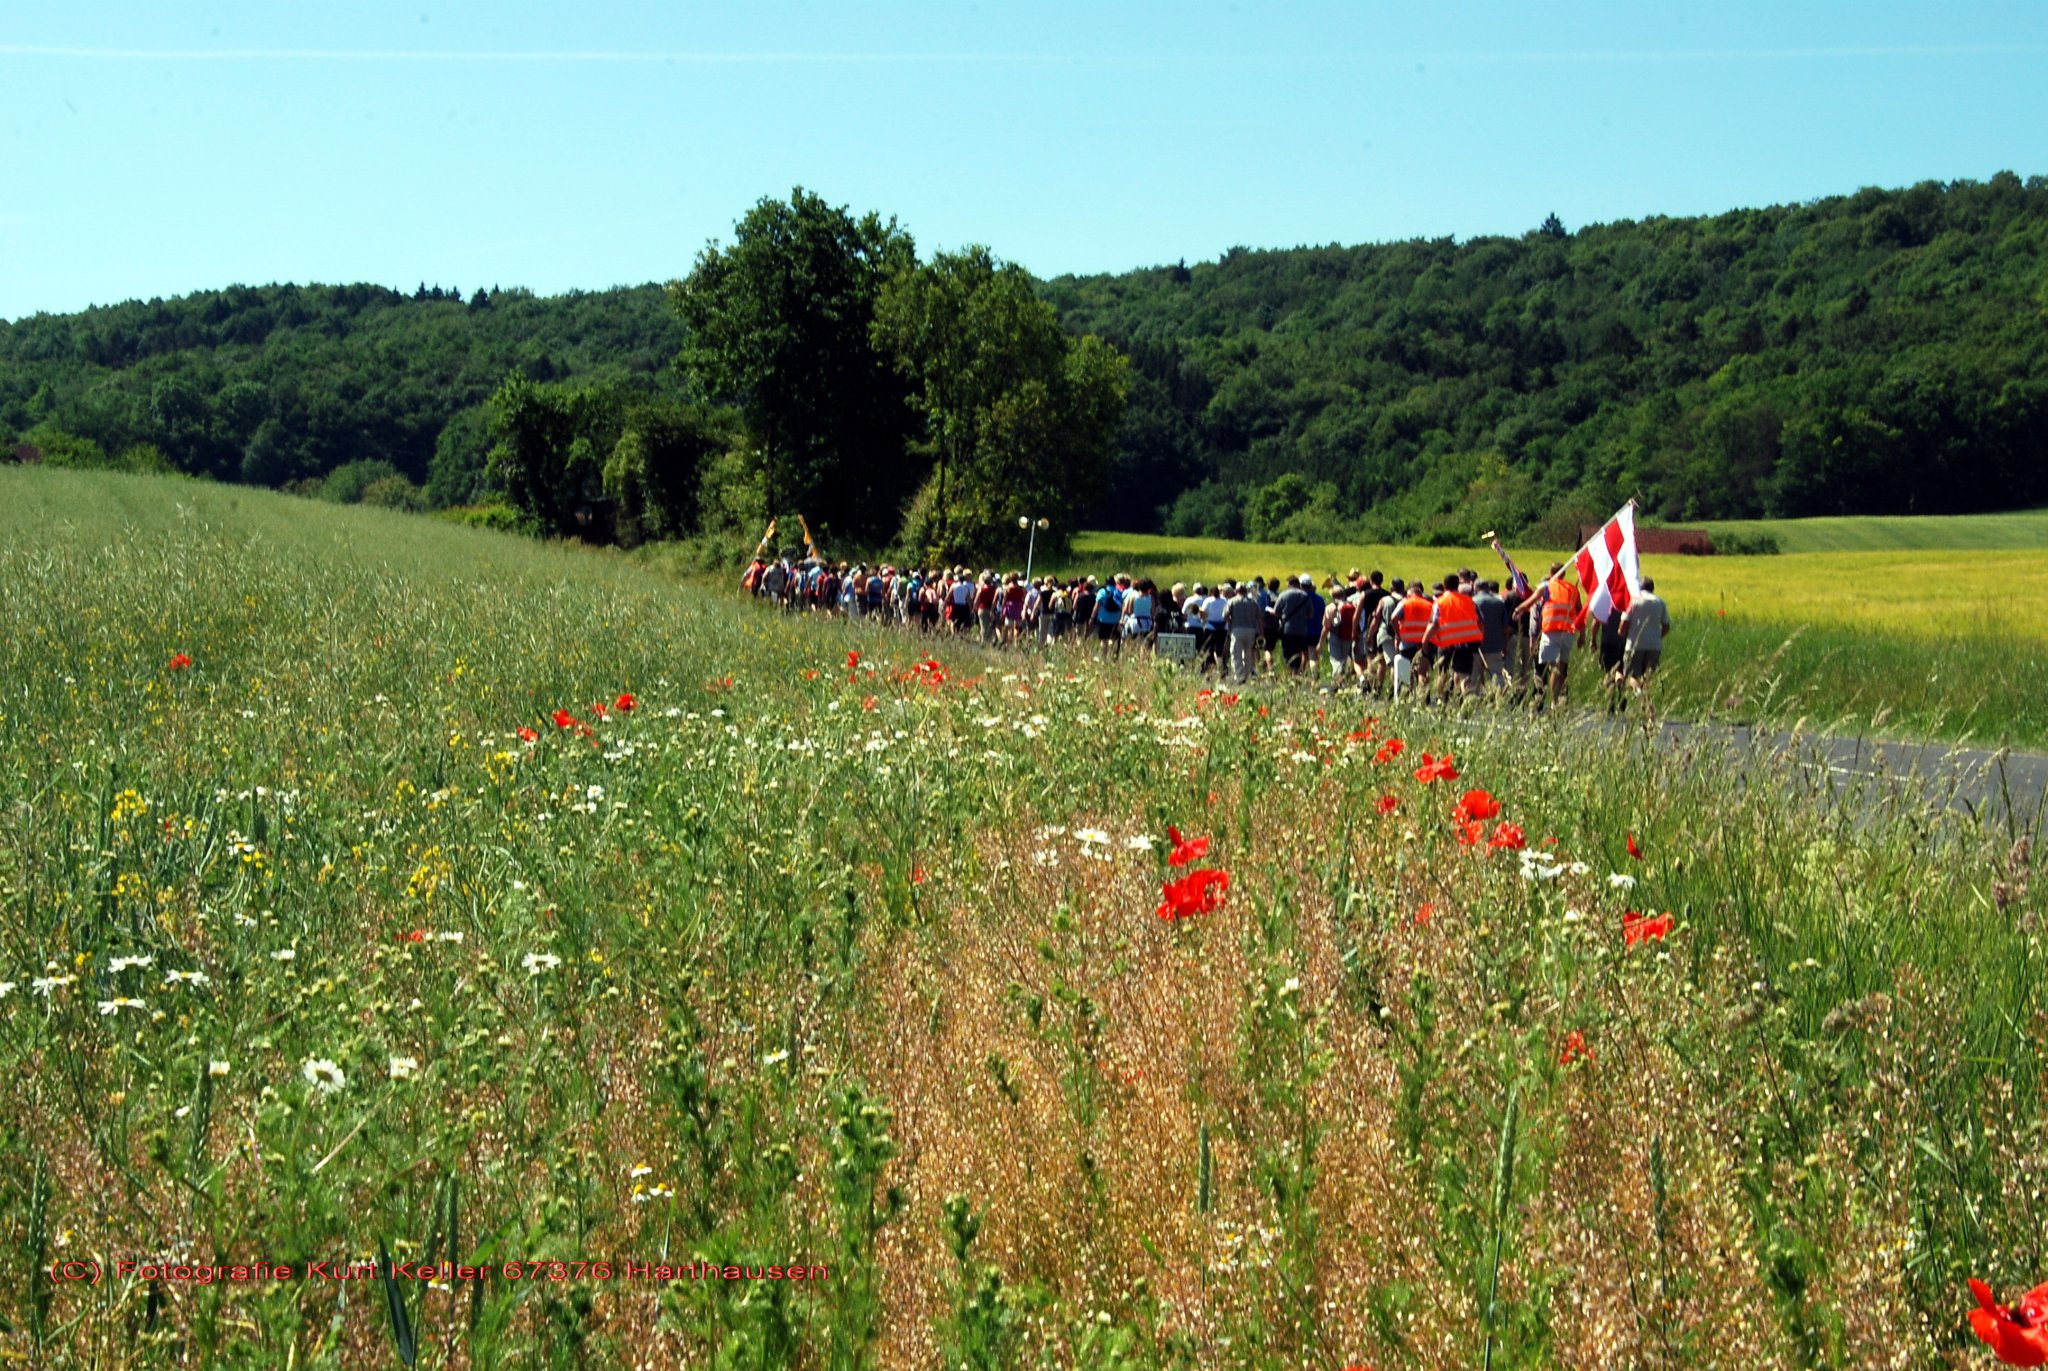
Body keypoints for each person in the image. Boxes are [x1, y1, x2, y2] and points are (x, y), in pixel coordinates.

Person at [1514, 562, 1584, 709]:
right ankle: (1561, 699)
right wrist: (1582, 635)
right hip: (1568, 632)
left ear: (1551, 573)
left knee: (1552, 668)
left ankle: (1554, 701)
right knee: (1562, 667)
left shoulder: (1546, 586)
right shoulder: (1573, 589)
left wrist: (1518, 610)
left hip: (1551, 631)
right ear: (1564, 574)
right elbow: (1580, 613)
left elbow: (1530, 602)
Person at [1422, 570, 1482, 701]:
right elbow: (1480, 622)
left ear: (1445, 586)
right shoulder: (1469, 601)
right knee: (1463, 675)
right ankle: (1465, 700)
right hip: (1466, 643)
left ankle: (1442, 700)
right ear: (1458, 585)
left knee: (1443, 673)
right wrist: (1480, 637)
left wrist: (1425, 641)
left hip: (1446, 643)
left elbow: (1434, 624)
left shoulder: (1440, 602)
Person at [1619, 576, 1673, 717]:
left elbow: (1623, 624)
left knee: (1631, 677)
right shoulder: (1659, 602)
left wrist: (1621, 633)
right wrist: (1657, 636)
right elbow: (1666, 626)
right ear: (1652, 588)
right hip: (1654, 646)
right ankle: (1646, 708)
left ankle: (1643, 701)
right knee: (1647, 678)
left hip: (1634, 645)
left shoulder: (1633, 600)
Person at [1472, 579, 1512, 694]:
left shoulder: (1472, 602)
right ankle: (1499, 698)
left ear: (1475, 588)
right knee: (1497, 675)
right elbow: (1505, 627)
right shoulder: (1498, 602)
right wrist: (1505, 644)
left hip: (1475, 646)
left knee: (1475, 677)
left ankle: (1477, 700)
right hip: (1495, 645)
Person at [1227, 579, 1264, 683]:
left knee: (1236, 654)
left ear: (1236, 590)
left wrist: (1231, 621)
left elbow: (1225, 615)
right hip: (1251, 630)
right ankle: (1247, 675)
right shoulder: (1253, 602)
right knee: (1248, 655)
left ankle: (1239, 676)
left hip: (1237, 630)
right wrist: (1261, 633)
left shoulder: (1232, 601)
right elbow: (1259, 618)